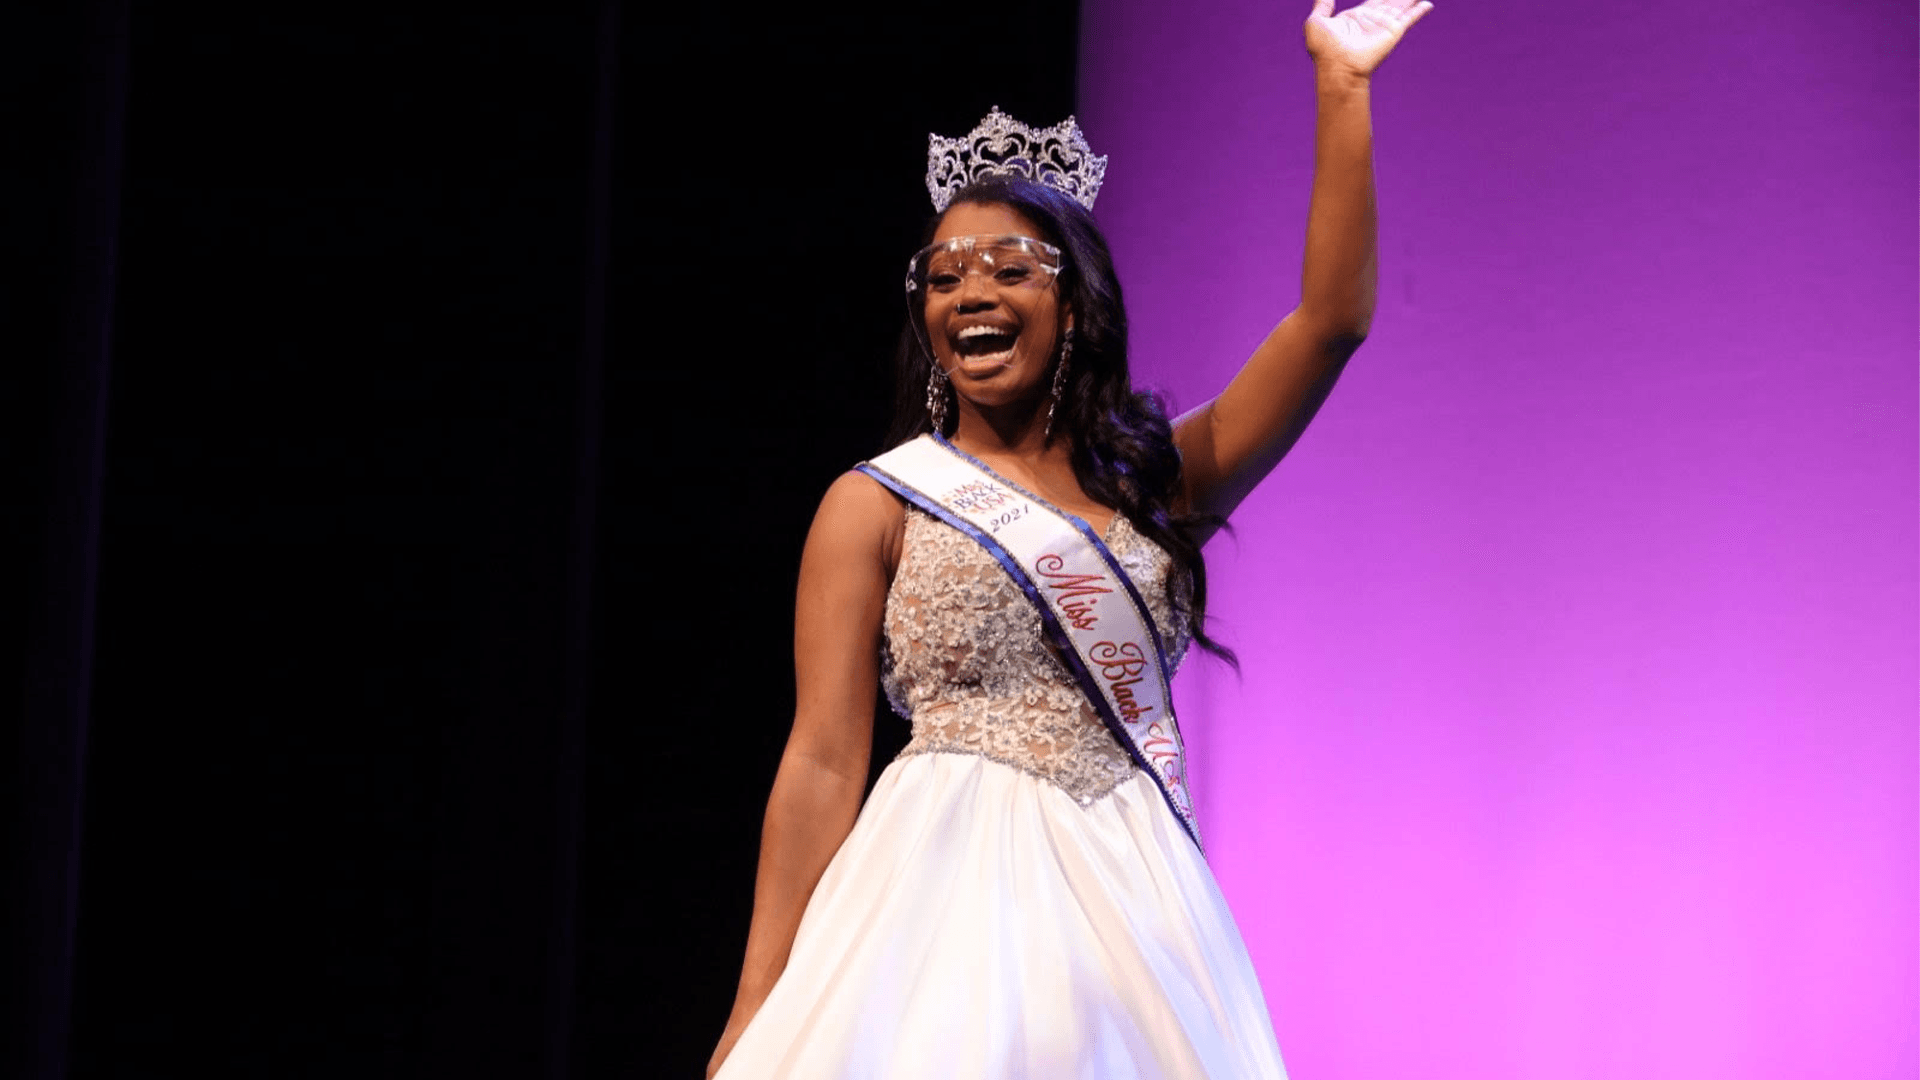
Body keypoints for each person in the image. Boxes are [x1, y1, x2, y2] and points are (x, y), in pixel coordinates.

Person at [707, 2, 1432, 1075]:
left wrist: (1343, 87)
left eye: (1007, 267)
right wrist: (756, 1006)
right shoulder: (877, 502)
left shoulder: (1161, 478)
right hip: (930, 902)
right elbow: (819, 759)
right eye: (943, 277)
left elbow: (1332, 323)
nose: (970, 294)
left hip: (1133, 904)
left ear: (1075, 304)